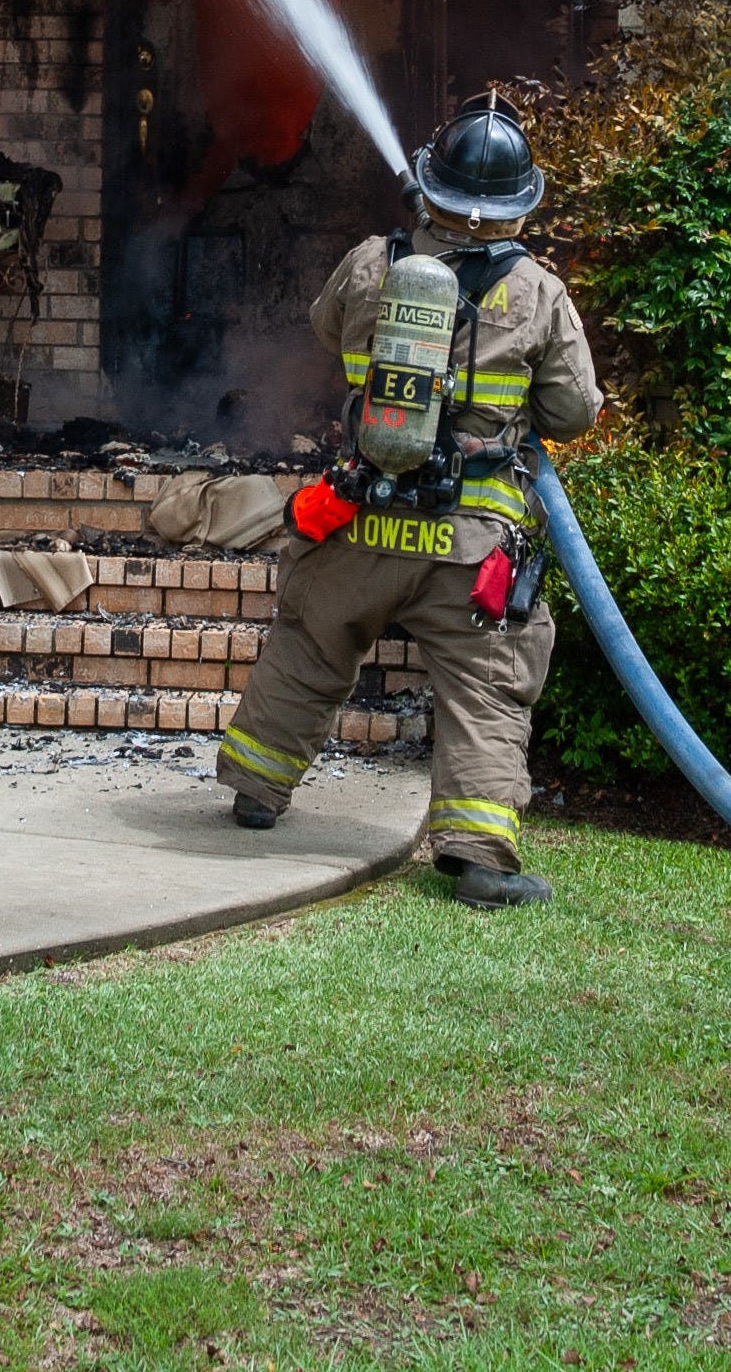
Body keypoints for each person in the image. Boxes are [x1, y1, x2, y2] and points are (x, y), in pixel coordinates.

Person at [215, 93, 602, 909]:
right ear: (516, 203)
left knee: (309, 643)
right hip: (468, 546)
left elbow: (326, 327)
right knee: (488, 685)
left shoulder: (369, 263)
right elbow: (571, 413)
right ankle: (475, 856)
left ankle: (255, 789)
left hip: (358, 518)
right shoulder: (536, 291)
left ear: (430, 185)